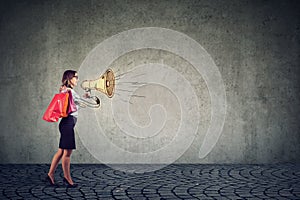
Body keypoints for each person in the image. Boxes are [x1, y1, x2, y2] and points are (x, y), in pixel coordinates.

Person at [46, 70, 80, 187]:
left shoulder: (71, 91)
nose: (77, 79)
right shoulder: (66, 89)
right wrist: (68, 90)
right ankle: (67, 178)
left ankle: (50, 174)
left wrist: (82, 98)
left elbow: (75, 103)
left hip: (67, 123)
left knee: (61, 151)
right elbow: (65, 92)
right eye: (75, 77)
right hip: (67, 124)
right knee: (67, 153)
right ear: (69, 78)